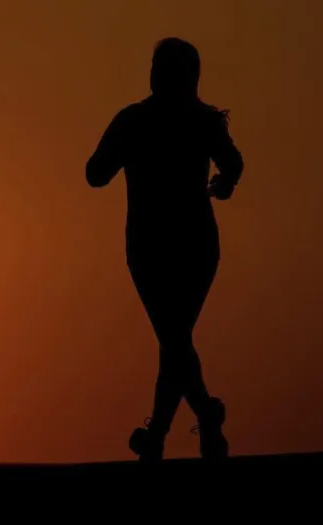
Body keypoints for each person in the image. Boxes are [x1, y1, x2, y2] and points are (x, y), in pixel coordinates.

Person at [85, 37, 244, 462]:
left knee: (173, 338)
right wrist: (225, 182)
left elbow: (94, 174)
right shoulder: (203, 121)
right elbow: (234, 163)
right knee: (175, 339)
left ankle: (191, 421)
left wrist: (123, 149)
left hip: (152, 246)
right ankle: (177, 432)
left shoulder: (135, 120)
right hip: (193, 245)